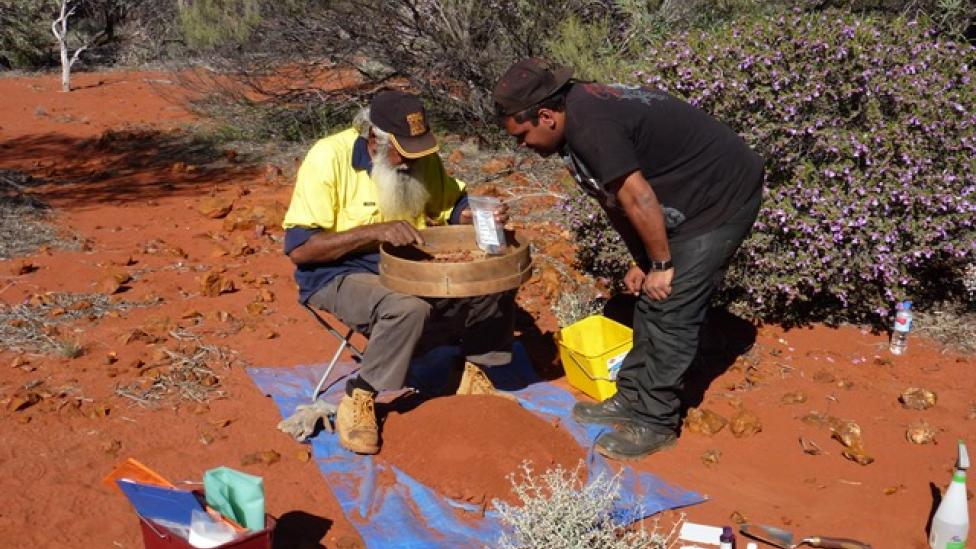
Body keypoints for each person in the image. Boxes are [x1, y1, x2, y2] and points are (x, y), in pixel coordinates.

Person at [493, 58, 764, 460]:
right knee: (650, 301)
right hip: (681, 198)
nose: (522, 145)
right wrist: (644, 258)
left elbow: (638, 197)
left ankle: (656, 421)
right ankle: (632, 396)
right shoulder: (574, 125)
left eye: (522, 134)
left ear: (546, 116)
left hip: (720, 198)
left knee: (672, 307)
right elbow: (616, 202)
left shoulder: (593, 127)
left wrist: (661, 265)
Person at [282, 90, 517, 455]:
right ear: (374, 140)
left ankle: (473, 370)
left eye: (418, 150)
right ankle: (359, 396)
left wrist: (468, 214)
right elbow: (300, 249)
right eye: (403, 151)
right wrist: (373, 231)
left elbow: (451, 203)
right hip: (336, 273)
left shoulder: (418, 158)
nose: (411, 161)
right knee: (407, 307)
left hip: (405, 266)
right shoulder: (329, 157)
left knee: (492, 277)